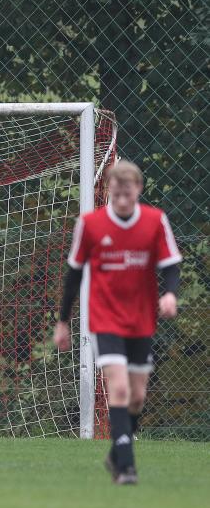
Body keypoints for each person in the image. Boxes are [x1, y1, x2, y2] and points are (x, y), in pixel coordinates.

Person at [54, 160, 181, 484]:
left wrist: (170, 295)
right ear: (108, 190)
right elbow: (73, 275)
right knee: (120, 388)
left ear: (138, 190)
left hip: (141, 321)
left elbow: (170, 266)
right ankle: (126, 467)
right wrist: (63, 321)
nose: (122, 200)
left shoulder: (155, 221)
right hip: (105, 318)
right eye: (116, 193)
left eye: (128, 193)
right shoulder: (91, 224)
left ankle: (116, 452)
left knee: (137, 397)